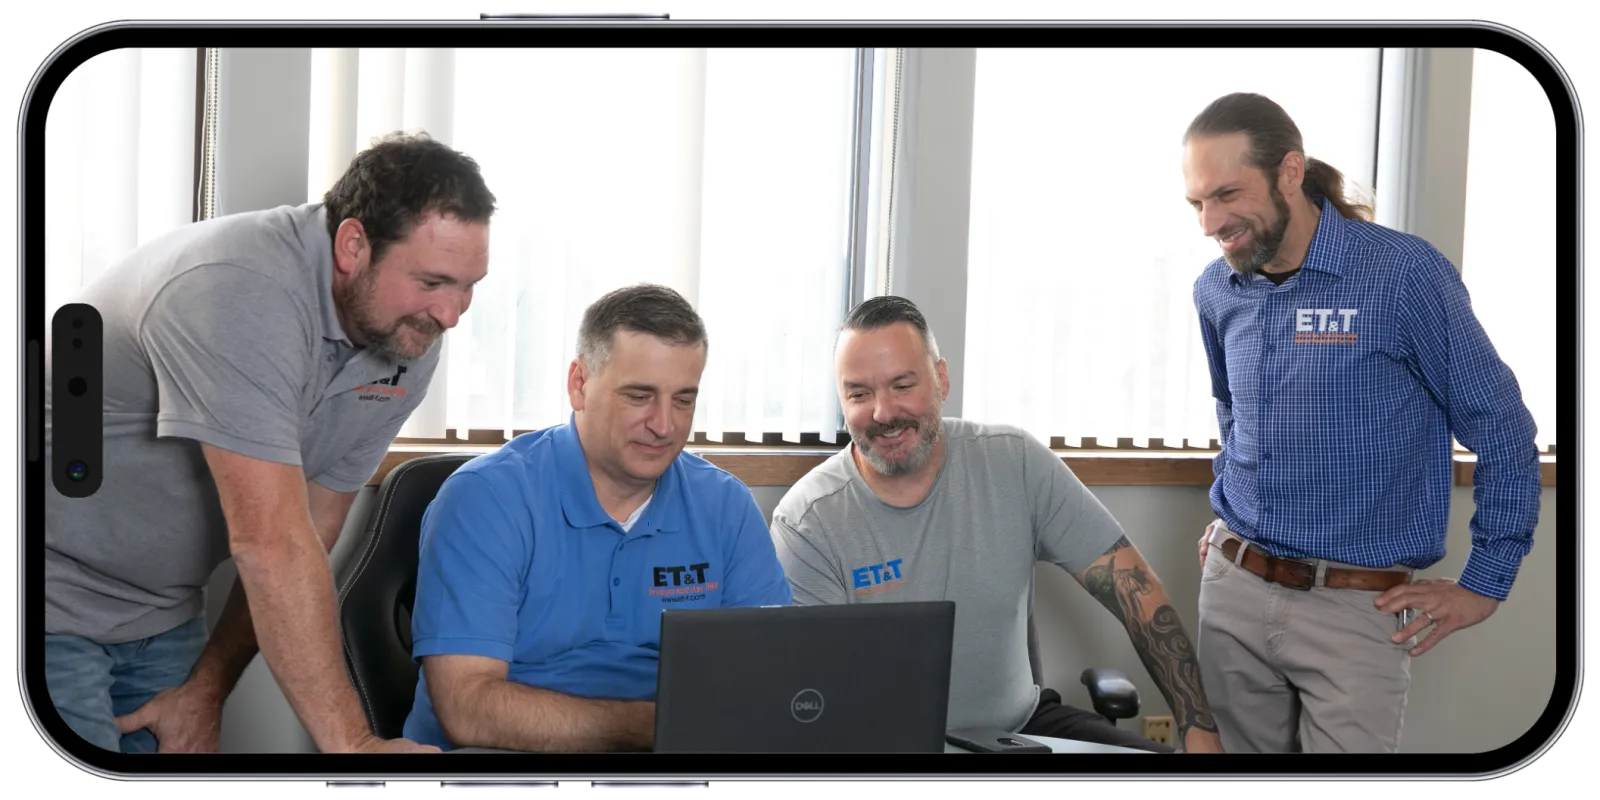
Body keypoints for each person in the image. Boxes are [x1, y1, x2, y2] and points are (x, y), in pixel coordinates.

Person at [41, 131, 497, 755]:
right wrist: (354, 748)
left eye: (469, 285)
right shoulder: (237, 287)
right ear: (353, 245)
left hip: (163, 613)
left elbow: (310, 531)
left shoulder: (404, 338)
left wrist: (207, 688)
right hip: (48, 598)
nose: (451, 313)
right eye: (432, 281)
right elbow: (270, 543)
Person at [1183, 92, 1544, 754]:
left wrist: (1485, 582)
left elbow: (1502, 428)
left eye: (1227, 194)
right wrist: (1233, 512)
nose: (1211, 222)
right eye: (1198, 203)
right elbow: (1233, 410)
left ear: (1290, 172)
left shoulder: (1403, 276)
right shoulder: (1216, 289)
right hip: (1232, 592)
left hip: (1355, 608)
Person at [768, 295, 1223, 755]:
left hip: (1020, 729)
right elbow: (809, 698)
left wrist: (1199, 731)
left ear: (941, 379)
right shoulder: (808, 521)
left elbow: (1137, 592)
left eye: (902, 385)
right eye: (859, 394)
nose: (883, 413)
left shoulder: (1013, 461)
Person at [401, 283, 795, 753]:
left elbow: (769, 680)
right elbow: (467, 710)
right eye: (639, 396)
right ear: (579, 384)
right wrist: (655, 727)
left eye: (683, 400)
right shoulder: (484, 499)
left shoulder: (726, 505)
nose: (664, 425)